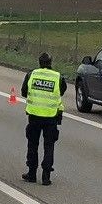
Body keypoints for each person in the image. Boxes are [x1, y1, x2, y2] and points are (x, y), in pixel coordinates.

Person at [20, 51, 64, 185]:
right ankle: (46, 177)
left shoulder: (31, 75)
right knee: (49, 146)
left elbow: (23, 92)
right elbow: (61, 91)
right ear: (51, 63)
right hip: (51, 117)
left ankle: (32, 174)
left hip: (34, 116)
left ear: (39, 63)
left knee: (33, 144)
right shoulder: (58, 77)